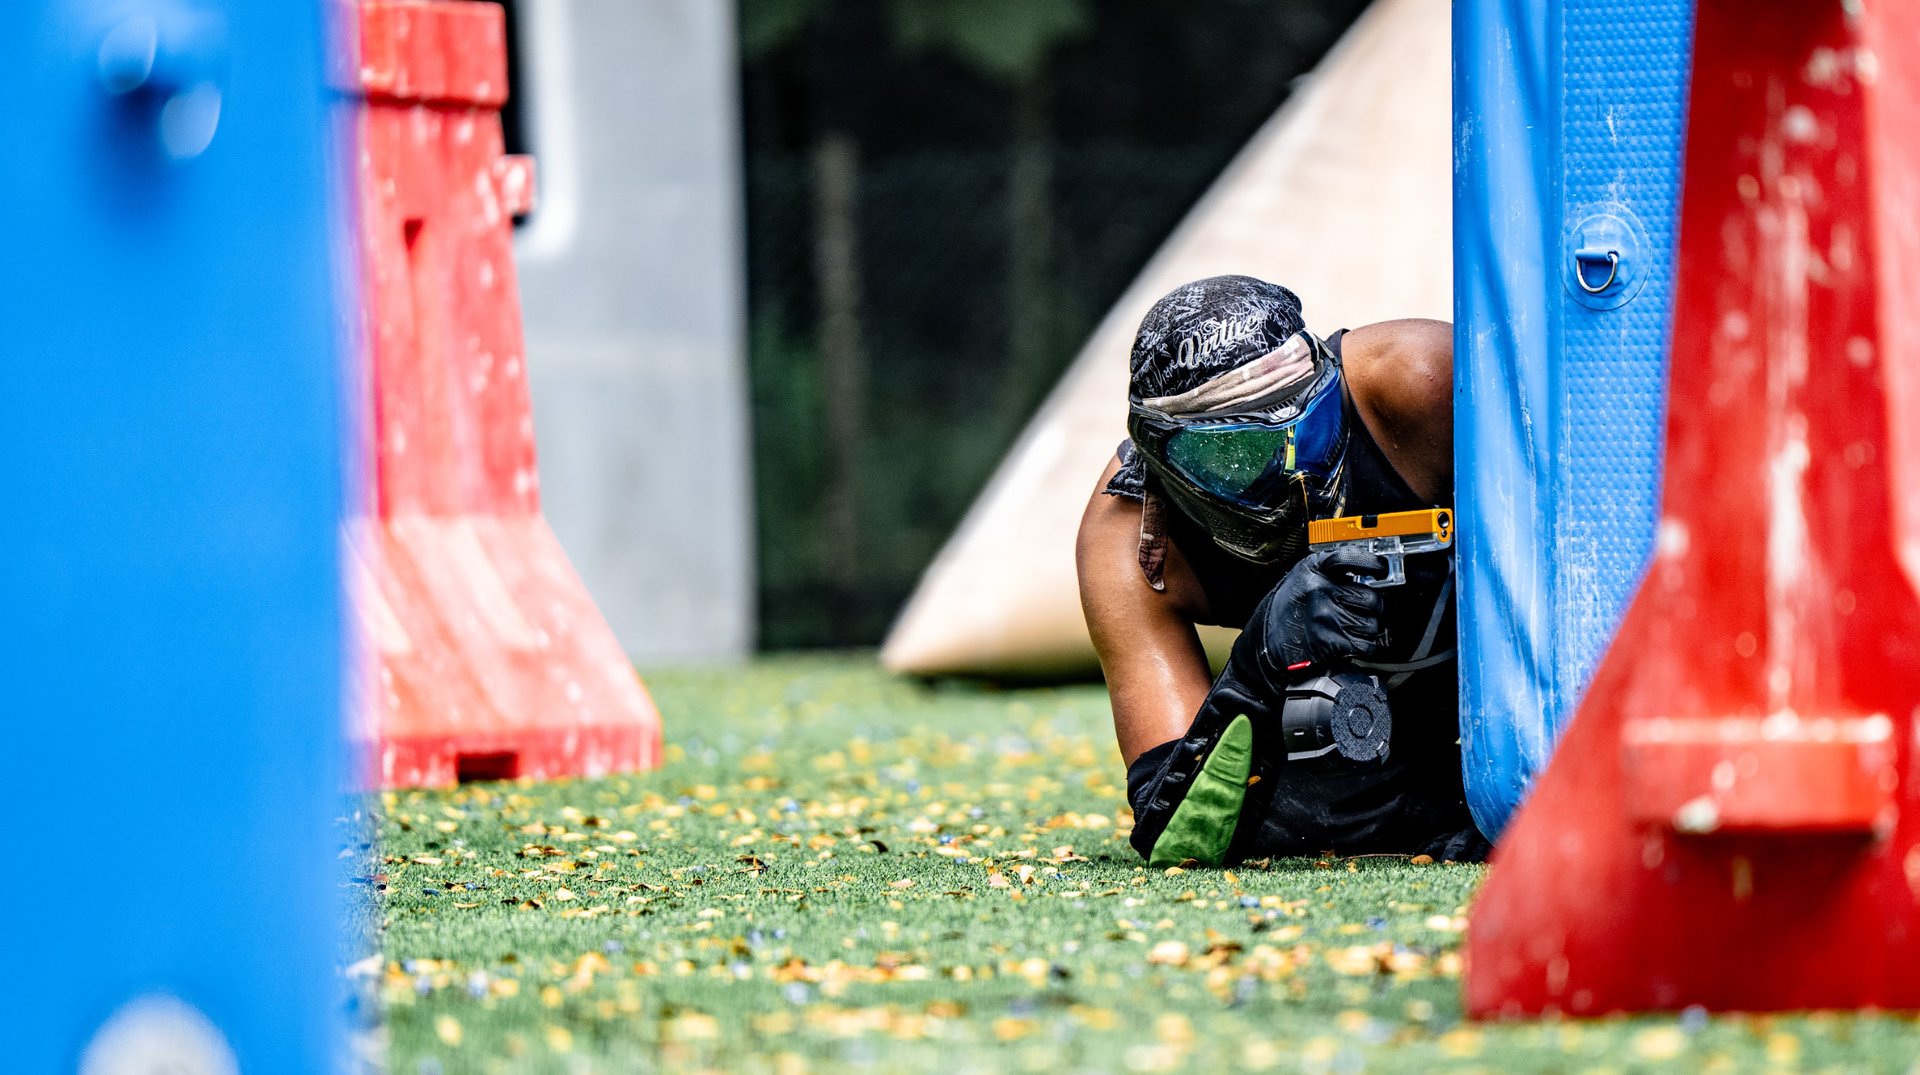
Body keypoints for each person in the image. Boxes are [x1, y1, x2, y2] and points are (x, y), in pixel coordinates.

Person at [1075, 275, 1487, 867]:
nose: (1292, 483)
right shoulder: (1129, 543)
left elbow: (1592, 559)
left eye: (1311, 432)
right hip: (1352, 763)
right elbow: (1179, 829)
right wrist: (1263, 656)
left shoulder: (1419, 381)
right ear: (1160, 457)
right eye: (1234, 457)